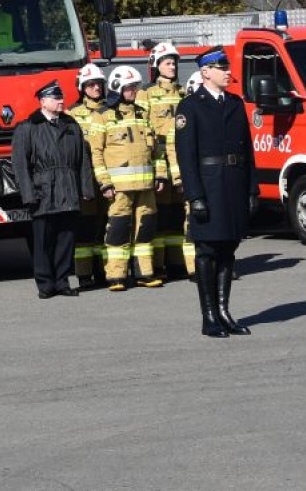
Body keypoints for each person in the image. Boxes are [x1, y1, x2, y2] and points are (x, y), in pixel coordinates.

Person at [174, 48, 257, 338]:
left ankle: (224, 311)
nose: (227, 71)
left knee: (228, 250)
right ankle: (209, 316)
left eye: (227, 66)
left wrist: (251, 188)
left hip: (233, 184)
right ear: (205, 72)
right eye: (221, 67)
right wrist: (194, 195)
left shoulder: (235, 103)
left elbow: (247, 150)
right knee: (207, 250)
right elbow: (186, 156)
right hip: (208, 187)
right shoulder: (190, 107)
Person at [11, 79, 96, 298]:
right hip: (43, 192)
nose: (61, 101)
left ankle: (62, 281)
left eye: (61, 98)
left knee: (66, 239)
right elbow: (20, 164)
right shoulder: (28, 127)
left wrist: (86, 189)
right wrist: (28, 194)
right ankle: (45, 283)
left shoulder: (71, 125)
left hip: (68, 189)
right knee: (43, 241)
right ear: (43, 101)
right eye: (56, 98)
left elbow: (82, 160)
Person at [93, 66, 165, 290]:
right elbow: (96, 154)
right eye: (129, 87)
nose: (134, 91)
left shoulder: (143, 114)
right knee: (118, 229)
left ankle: (145, 273)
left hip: (145, 186)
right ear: (117, 88)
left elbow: (157, 151)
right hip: (119, 188)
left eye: (135, 87)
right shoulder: (102, 116)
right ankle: (117, 276)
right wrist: (104, 182)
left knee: (145, 228)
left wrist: (160, 175)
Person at [140, 42, 190, 281]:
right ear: (156, 66)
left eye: (174, 63)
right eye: (168, 63)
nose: (172, 67)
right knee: (159, 216)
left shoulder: (183, 92)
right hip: (159, 160)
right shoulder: (146, 94)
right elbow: (142, 129)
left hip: (181, 159)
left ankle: (177, 263)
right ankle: (158, 266)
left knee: (178, 214)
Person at [68, 63, 112, 286]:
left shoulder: (111, 111)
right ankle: (84, 275)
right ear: (82, 87)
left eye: (98, 84)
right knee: (85, 228)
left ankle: (105, 272)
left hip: (108, 179)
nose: (96, 88)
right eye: (91, 84)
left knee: (106, 225)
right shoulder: (72, 115)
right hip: (84, 179)